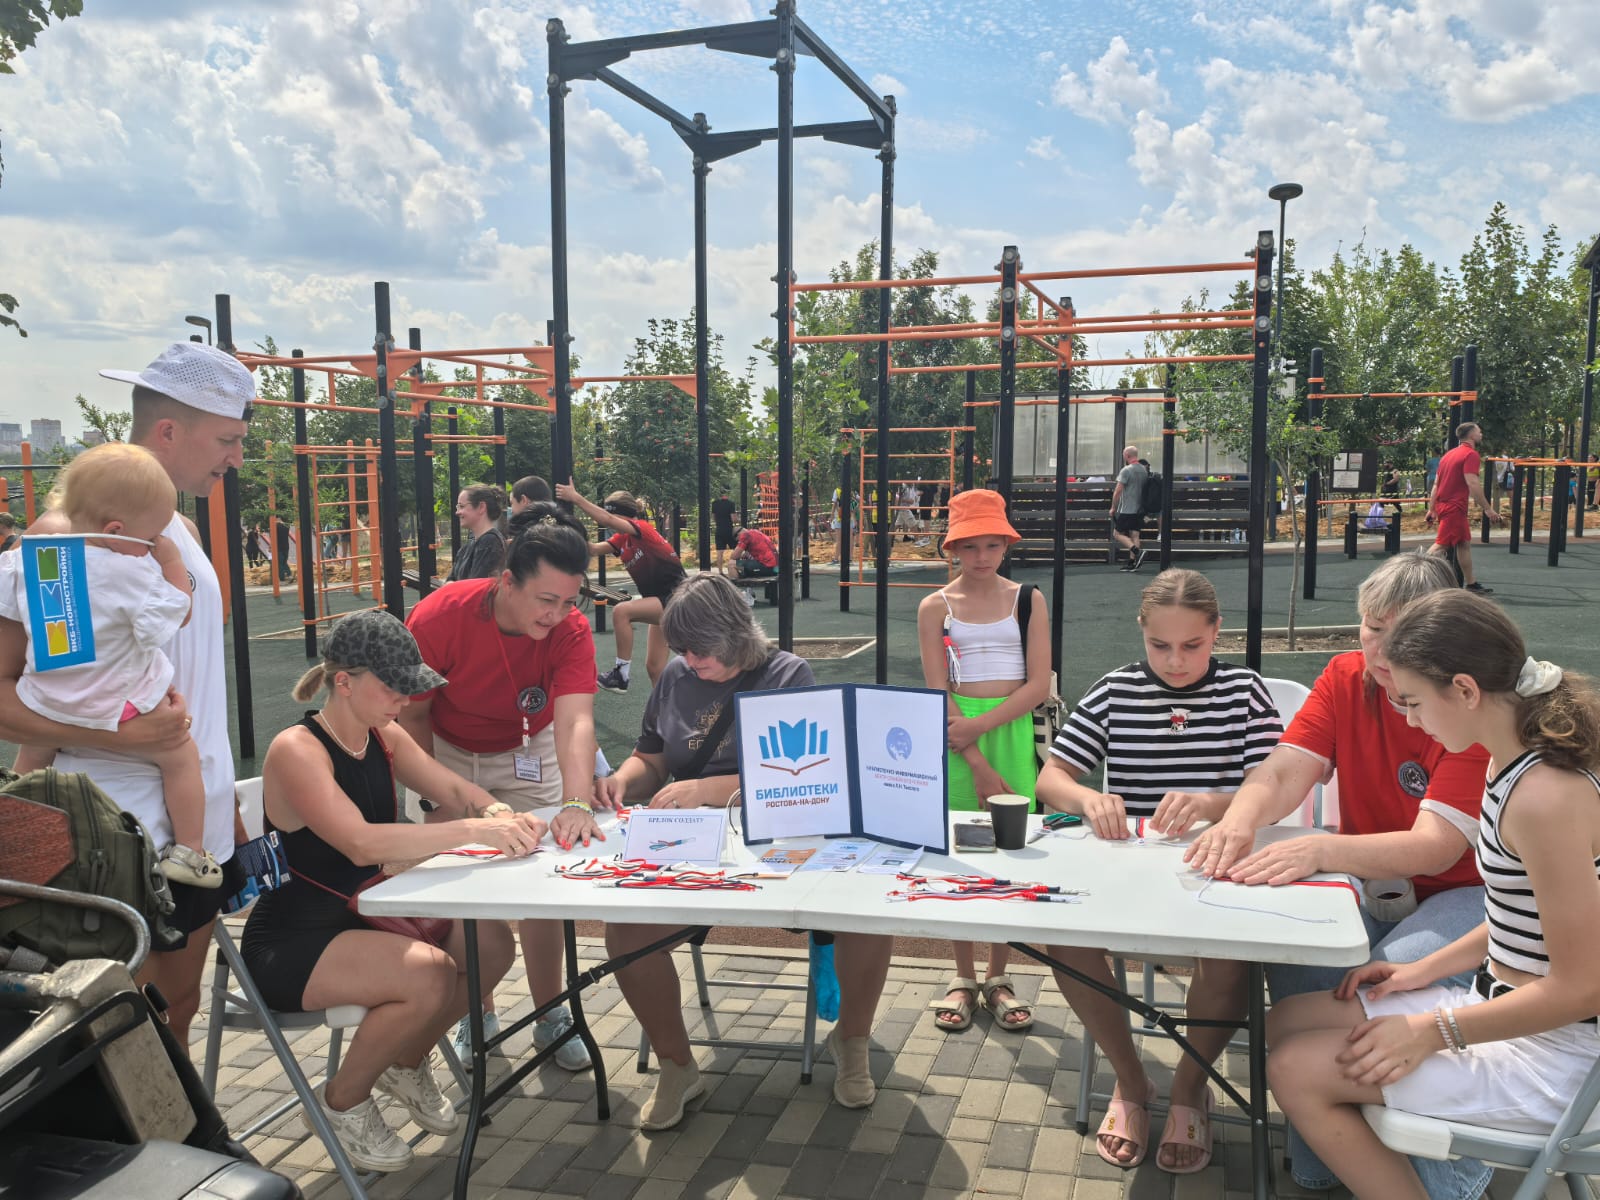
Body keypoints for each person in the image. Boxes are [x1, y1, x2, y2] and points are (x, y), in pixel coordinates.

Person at [1267, 591, 1600, 1200]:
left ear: (1465, 691)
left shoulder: (1545, 797)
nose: (1413, 722)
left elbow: (1582, 988)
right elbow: (1521, 913)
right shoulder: (1507, 763)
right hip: (1503, 1006)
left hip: (1560, 1058)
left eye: (1415, 702)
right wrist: (1423, 971)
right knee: (1288, 1020)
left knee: (1296, 1069)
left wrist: (1432, 1032)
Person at [1185, 552, 1492, 1197]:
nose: (1380, 650)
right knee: (1305, 963)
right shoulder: (1346, 676)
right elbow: (1284, 769)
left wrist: (1321, 851)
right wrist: (1239, 820)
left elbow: (1436, 849)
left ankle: (1444, 1176)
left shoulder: (1469, 704)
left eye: (1399, 634)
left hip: (1466, 891)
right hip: (1369, 873)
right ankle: (1325, 1163)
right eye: (1371, 628)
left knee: (1383, 989)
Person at [0, 342, 249, 1046]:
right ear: (169, 430)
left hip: (189, 829)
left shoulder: (178, 532)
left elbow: (193, 673)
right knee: (116, 1028)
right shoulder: (64, 544)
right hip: (108, 836)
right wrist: (125, 736)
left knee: (177, 1007)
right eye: (226, 440)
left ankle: (177, 1118)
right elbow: (10, 696)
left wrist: (223, 795)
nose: (236, 459)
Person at [243, 609, 551, 1173]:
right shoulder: (297, 749)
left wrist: (499, 812)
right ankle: (341, 1101)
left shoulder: (382, 735)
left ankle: (404, 1062)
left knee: (490, 946)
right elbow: (360, 844)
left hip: (367, 916)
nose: (404, 700)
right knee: (429, 974)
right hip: (293, 940)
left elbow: (453, 788)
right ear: (344, 681)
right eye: (392, 687)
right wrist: (476, 829)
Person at [593, 574, 893, 1129]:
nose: (688, 660)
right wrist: (621, 781)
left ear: (734, 634)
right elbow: (651, 758)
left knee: (866, 912)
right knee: (626, 932)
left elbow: (804, 778)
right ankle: (677, 1065)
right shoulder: (677, 675)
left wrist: (706, 789)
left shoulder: (786, 674)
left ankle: (852, 1039)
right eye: (681, 649)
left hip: (784, 837)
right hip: (693, 844)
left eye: (699, 649)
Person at [1037, 569, 1282, 1173]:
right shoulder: (1116, 689)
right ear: (1141, 634)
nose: (1175, 661)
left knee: (1228, 953)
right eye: (1159, 645)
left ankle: (1189, 1087)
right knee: (1065, 940)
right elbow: (1051, 778)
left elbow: (1273, 789)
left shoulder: (1244, 692)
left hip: (1216, 864)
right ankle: (1131, 1079)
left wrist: (1209, 804)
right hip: (1131, 866)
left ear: (1216, 632)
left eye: (1192, 645)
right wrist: (1089, 799)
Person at [400, 504, 607, 1070]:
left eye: (571, 601)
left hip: (527, 746)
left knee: (547, 879)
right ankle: (477, 1010)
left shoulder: (570, 629)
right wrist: (436, 799)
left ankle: (551, 1013)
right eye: (547, 600)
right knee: (463, 885)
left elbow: (575, 720)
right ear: (507, 581)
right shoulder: (440, 615)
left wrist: (575, 801)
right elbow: (412, 717)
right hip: (447, 752)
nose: (558, 614)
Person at [1, 442, 219, 890]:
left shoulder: (30, 561)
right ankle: (190, 850)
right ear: (117, 530)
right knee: (180, 755)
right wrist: (171, 563)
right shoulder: (129, 570)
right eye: (152, 537)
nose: (155, 545)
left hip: (44, 702)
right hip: (122, 707)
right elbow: (179, 612)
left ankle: (12, 820)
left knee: (33, 755)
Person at [916, 490, 1050, 1040]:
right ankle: (964, 976)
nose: (982, 556)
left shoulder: (1028, 599)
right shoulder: (934, 607)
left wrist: (981, 727)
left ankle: (999, 975)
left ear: (1006, 545)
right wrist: (970, 750)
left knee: (1008, 853)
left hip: (1010, 730)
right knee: (962, 853)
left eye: (993, 545)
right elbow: (937, 689)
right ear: (952, 548)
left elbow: (1038, 684)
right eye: (970, 546)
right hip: (955, 737)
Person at [555, 480, 686, 693]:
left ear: (623, 515)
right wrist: (564, 532)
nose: (610, 522)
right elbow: (592, 549)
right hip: (660, 601)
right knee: (655, 667)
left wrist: (576, 498)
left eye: (613, 516)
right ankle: (663, 709)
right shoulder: (621, 539)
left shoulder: (641, 528)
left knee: (621, 611)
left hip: (678, 598)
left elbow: (606, 518)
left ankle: (620, 675)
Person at [1426, 423, 1502, 593]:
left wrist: (1432, 509)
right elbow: (1472, 483)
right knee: (1441, 545)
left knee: (1463, 543)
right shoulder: (1471, 454)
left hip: (1446, 506)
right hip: (1454, 507)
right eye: (1479, 431)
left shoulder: (1448, 455)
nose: (1481, 434)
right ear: (1471, 435)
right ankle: (1414, 576)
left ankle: (1471, 583)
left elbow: (1436, 484)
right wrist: (1487, 508)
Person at [448, 485, 508, 582]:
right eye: (457, 507)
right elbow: (451, 579)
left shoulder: (490, 542)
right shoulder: (469, 545)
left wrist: (453, 586)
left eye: (461, 506)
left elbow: (474, 586)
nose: (457, 512)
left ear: (481, 507)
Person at [1110, 445, 1149, 572]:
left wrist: (1113, 507)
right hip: (1140, 509)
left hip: (1128, 509)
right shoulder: (1144, 470)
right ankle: (1132, 563)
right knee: (1135, 535)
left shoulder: (1126, 470)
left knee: (1117, 534)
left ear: (1127, 456)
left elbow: (1118, 491)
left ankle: (1137, 552)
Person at [711, 491, 737, 571]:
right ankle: (735, 569)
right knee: (736, 550)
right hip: (729, 530)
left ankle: (720, 571)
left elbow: (713, 517)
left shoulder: (714, 503)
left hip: (719, 529)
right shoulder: (731, 504)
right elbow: (733, 519)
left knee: (719, 552)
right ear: (727, 494)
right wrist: (737, 519)